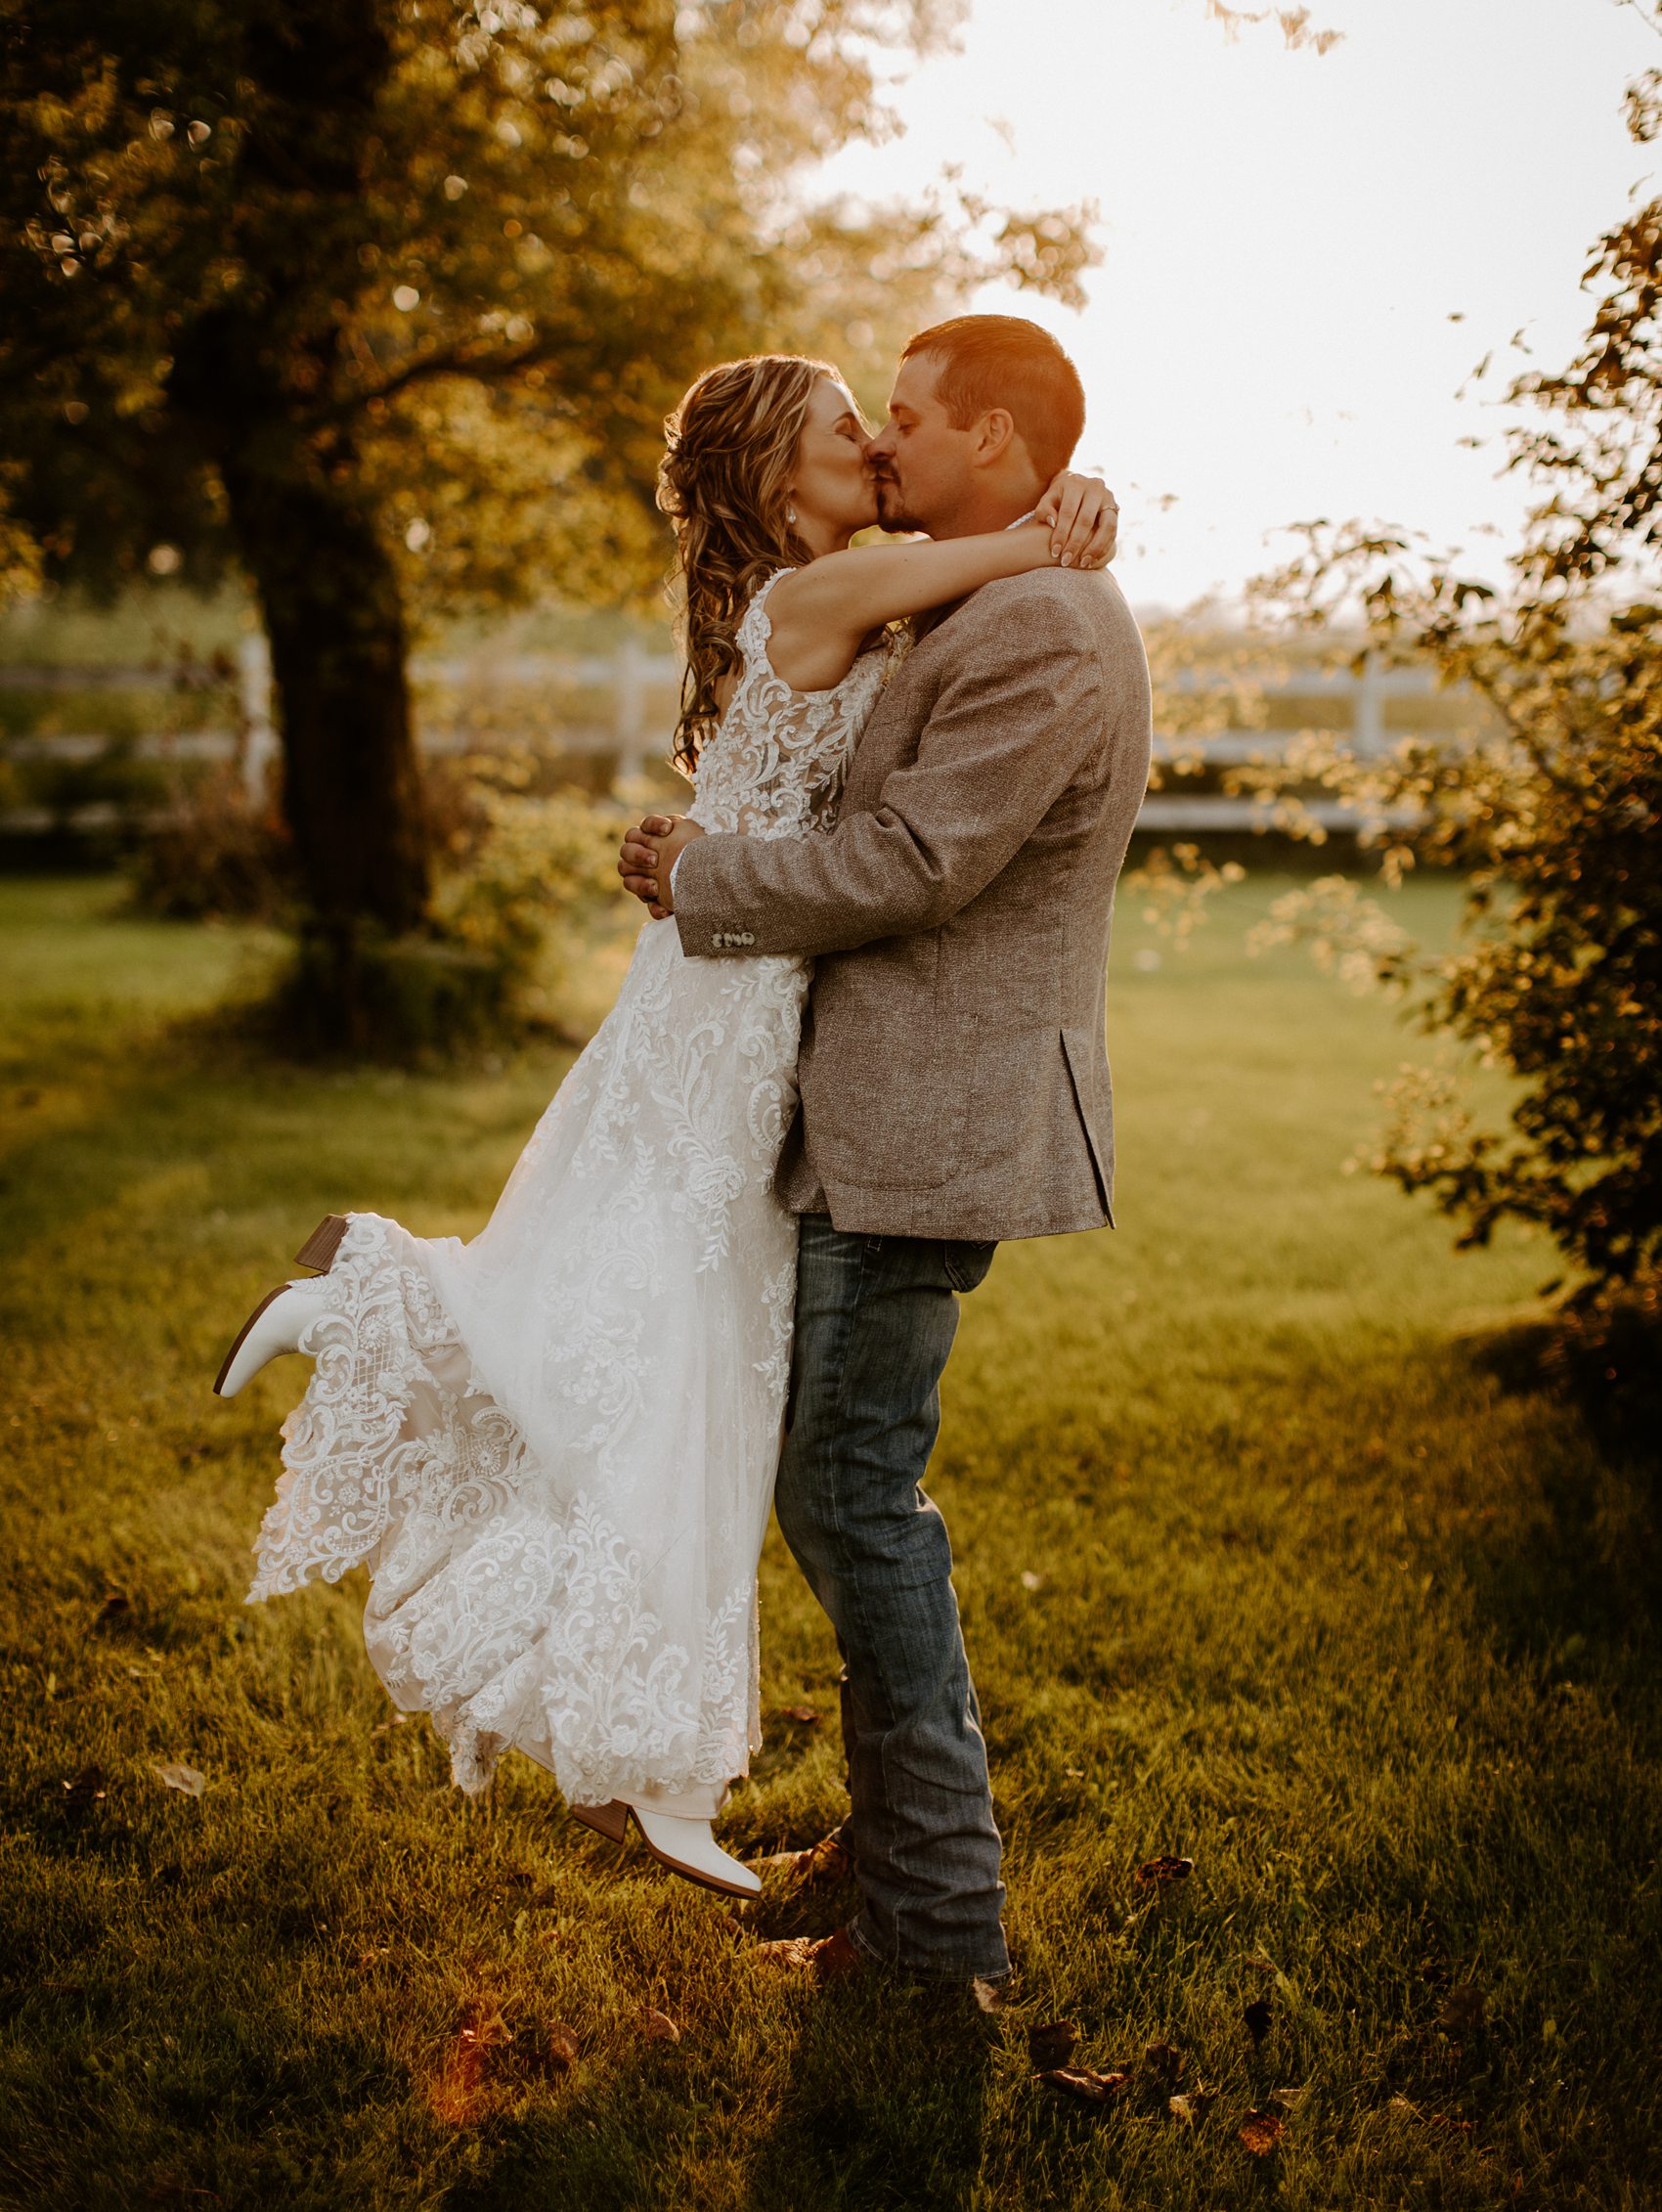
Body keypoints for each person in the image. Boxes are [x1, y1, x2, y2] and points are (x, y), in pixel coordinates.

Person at [210, 340, 1117, 1905]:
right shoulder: (819, 596)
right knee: (672, 1324)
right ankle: (668, 1738)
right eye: (857, 431)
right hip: (732, 993)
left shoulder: (902, 592)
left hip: (767, 996)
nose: (881, 451)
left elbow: (989, 610)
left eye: (893, 425)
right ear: (781, 478)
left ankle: (380, 1301)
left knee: (656, 1322)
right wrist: (1068, 512)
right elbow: (1015, 552)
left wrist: (1069, 502)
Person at [618, 314, 1154, 1987]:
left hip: (927, 1119)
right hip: (871, 1107)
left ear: (995, 441)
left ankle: (937, 1921)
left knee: (852, 1496)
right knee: (847, 1487)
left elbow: (917, 859)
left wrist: (705, 877)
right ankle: (894, 1847)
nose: (887, 445)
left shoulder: (1046, 628)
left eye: (909, 420)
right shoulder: (994, 589)